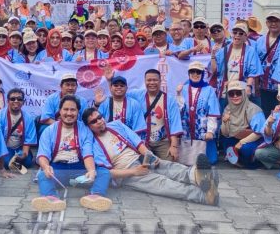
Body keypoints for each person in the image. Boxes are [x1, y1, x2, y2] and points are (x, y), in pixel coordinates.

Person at [83, 109, 219, 205]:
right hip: (127, 172)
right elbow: (107, 173)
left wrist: (150, 156)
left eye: (100, 117)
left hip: (140, 158)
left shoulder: (116, 125)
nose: (99, 121)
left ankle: (196, 175)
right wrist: (134, 171)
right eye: (94, 121)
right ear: (88, 127)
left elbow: (137, 142)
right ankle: (204, 196)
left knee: (167, 166)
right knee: (162, 183)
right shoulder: (92, 144)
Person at [31, 97, 112, 213]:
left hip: (80, 169)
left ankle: (95, 197)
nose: (69, 113)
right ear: (60, 110)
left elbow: (88, 153)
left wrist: (91, 170)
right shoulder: (49, 130)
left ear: (78, 111)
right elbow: (43, 155)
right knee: (43, 175)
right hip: (58, 169)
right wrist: (45, 167)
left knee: (104, 172)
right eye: (66, 109)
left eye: (73, 110)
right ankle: (51, 199)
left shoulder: (85, 130)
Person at [128, 68, 183, 161]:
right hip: (143, 141)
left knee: (171, 163)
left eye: (155, 80)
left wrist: (174, 146)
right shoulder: (137, 95)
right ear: (145, 81)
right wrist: (109, 81)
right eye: (149, 80)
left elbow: (175, 123)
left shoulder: (169, 100)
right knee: (145, 167)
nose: (152, 83)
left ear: (160, 81)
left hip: (163, 141)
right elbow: (119, 94)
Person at [176, 61, 219, 164]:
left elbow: (212, 112)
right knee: (184, 161)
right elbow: (179, 109)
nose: (195, 74)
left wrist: (210, 131)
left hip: (202, 129)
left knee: (209, 161)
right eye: (192, 71)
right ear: (189, 73)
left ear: (202, 74)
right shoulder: (183, 88)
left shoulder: (209, 90)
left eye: (198, 72)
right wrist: (178, 94)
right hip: (186, 128)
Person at [210, 21, 262, 98]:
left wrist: (248, 86)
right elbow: (214, 70)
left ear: (246, 36)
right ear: (231, 34)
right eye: (235, 32)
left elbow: (253, 72)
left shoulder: (250, 51)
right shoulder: (223, 51)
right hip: (225, 91)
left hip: (242, 91)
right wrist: (213, 55)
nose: (237, 35)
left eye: (241, 33)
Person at [219, 80, 265, 168]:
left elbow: (259, 133)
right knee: (226, 141)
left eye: (238, 93)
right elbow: (226, 134)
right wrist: (225, 122)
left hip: (254, 139)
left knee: (246, 149)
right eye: (232, 94)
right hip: (237, 138)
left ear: (243, 93)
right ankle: (239, 159)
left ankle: (250, 162)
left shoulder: (253, 109)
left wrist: (241, 142)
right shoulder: (228, 108)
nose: (235, 96)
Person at [0, 88, 38, 170]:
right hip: (5, 148)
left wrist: (24, 154)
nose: (16, 101)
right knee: (6, 162)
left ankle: (14, 164)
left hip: (19, 147)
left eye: (19, 99)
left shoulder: (28, 118)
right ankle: (14, 165)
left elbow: (28, 139)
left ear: (23, 102)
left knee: (27, 162)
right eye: (12, 99)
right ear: (7, 101)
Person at [255, 12, 280, 116]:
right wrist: (256, 84)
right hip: (263, 84)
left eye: (276, 21)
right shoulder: (260, 40)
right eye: (270, 21)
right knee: (265, 112)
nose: (273, 24)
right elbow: (256, 63)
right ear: (266, 23)